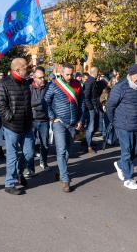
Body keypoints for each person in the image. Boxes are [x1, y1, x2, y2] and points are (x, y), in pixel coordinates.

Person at [44, 63, 85, 192]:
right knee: (61, 150)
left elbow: (82, 102)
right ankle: (66, 179)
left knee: (68, 150)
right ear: (61, 73)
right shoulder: (54, 85)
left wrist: (80, 119)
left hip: (73, 123)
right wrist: (52, 117)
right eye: (67, 74)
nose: (69, 76)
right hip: (59, 123)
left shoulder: (77, 85)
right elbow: (46, 101)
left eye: (71, 74)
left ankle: (62, 172)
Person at [0, 58, 34, 195]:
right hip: (12, 127)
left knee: (29, 153)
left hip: (27, 125)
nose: (28, 70)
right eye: (25, 68)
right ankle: (9, 184)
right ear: (18, 70)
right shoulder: (4, 83)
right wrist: (10, 117)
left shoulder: (25, 83)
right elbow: (0, 105)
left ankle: (19, 173)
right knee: (12, 156)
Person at [106, 64, 137, 190]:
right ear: (131, 75)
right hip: (123, 125)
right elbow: (110, 106)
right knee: (127, 151)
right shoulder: (120, 87)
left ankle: (120, 164)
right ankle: (128, 179)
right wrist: (114, 122)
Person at [30, 66, 50, 172]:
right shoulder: (29, 88)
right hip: (32, 120)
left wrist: (36, 104)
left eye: (43, 77)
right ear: (34, 77)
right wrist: (41, 102)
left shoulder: (48, 87)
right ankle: (30, 167)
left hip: (44, 120)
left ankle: (44, 162)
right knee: (30, 145)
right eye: (40, 77)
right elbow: (29, 103)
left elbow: (49, 102)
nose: (42, 79)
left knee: (45, 143)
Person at [83, 67, 102, 153]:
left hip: (95, 107)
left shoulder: (94, 81)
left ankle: (87, 141)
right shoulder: (89, 82)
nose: (98, 74)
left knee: (95, 126)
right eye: (98, 72)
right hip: (91, 108)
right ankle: (88, 146)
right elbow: (86, 96)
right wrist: (91, 108)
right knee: (90, 128)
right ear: (96, 72)